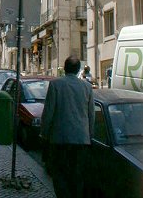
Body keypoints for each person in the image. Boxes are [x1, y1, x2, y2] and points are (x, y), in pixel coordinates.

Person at [41, 55, 95, 198]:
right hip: (81, 140)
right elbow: (91, 115)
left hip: (60, 140)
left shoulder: (55, 85)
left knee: (60, 176)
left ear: (64, 69)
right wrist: (90, 136)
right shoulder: (87, 87)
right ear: (78, 70)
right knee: (77, 178)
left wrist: (44, 134)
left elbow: (48, 112)